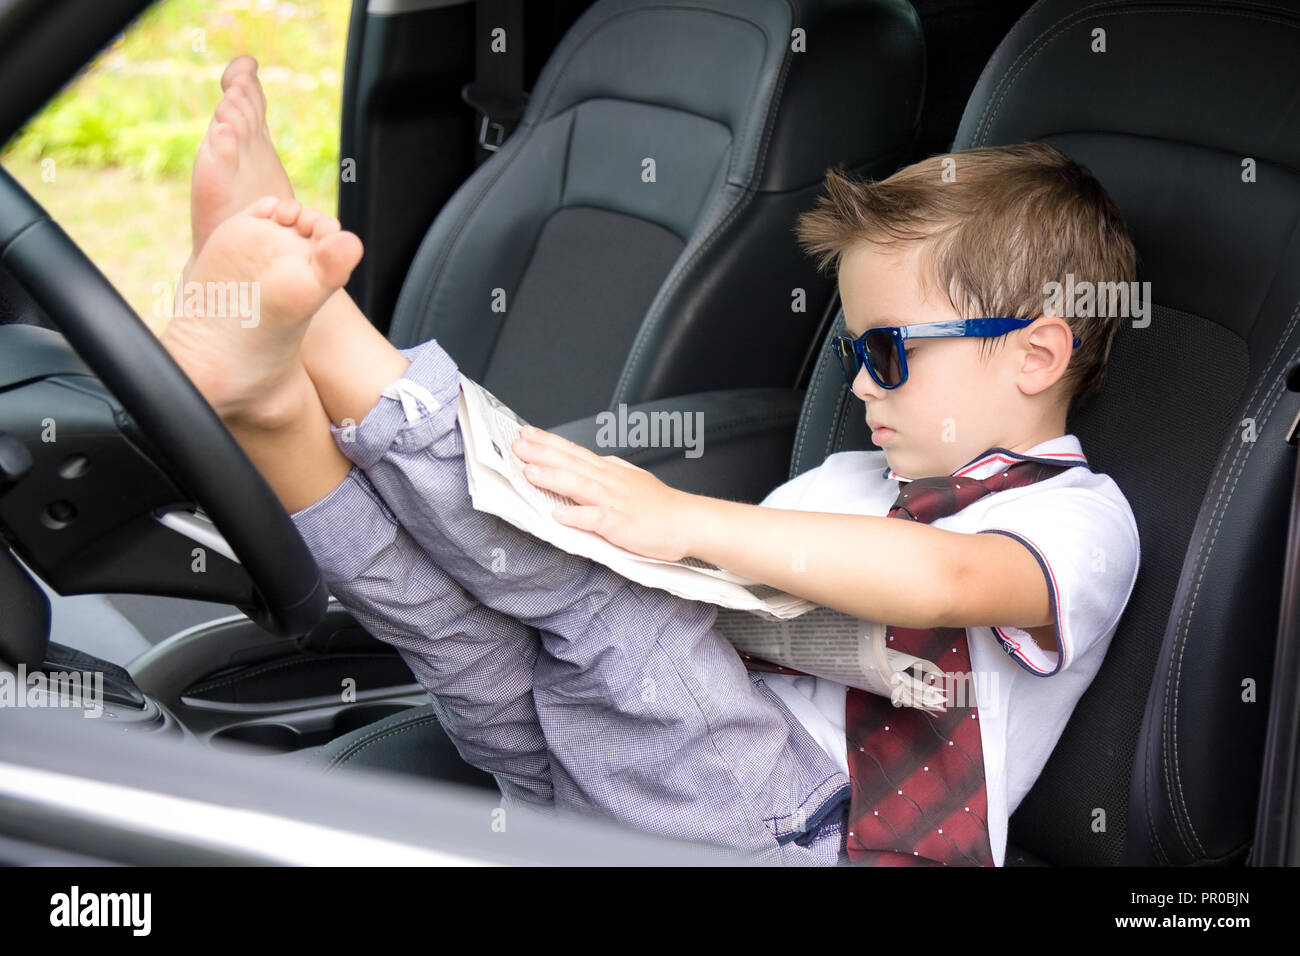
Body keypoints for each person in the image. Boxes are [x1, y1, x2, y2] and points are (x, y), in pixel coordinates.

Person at [161, 55, 1140, 866]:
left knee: (605, 589)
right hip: (632, 792)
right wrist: (672, 550)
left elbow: (945, 579)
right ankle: (273, 417)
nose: (858, 386)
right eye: (849, 352)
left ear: (1035, 353)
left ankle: (327, 332)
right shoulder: (845, 486)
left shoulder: (1078, 519)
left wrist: (676, 520)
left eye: (886, 352)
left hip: (814, 836)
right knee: (467, 637)